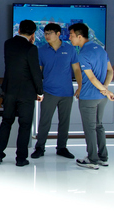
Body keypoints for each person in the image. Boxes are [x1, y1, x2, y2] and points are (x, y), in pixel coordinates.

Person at [0, 19, 44, 167]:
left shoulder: (8, 44)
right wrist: (40, 91)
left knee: (6, 122)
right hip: (26, 93)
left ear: (19, 30)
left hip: (10, 90)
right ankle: (21, 159)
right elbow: (35, 72)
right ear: (33, 33)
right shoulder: (31, 48)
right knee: (25, 125)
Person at [68, 23, 114, 170]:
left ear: (79, 36)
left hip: (88, 97)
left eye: (71, 35)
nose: (69, 38)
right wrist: (105, 89)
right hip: (101, 97)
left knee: (90, 129)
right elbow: (110, 71)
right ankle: (103, 157)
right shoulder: (101, 49)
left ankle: (92, 159)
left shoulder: (83, 54)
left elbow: (92, 78)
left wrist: (106, 91)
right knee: (99, 126)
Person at [31, 23, 82, 160]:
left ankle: (62, 148)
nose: (46, 36)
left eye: (49, 33)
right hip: (48, 91)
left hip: (66, 92)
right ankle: (40, 147)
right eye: (45, 33)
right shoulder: (41, 50)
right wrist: (37, 90)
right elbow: (38, 72)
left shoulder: (70, 49)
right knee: (44, 121)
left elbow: (77, 69)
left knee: (64, 121)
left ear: (58, 34)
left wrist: (80, 86)